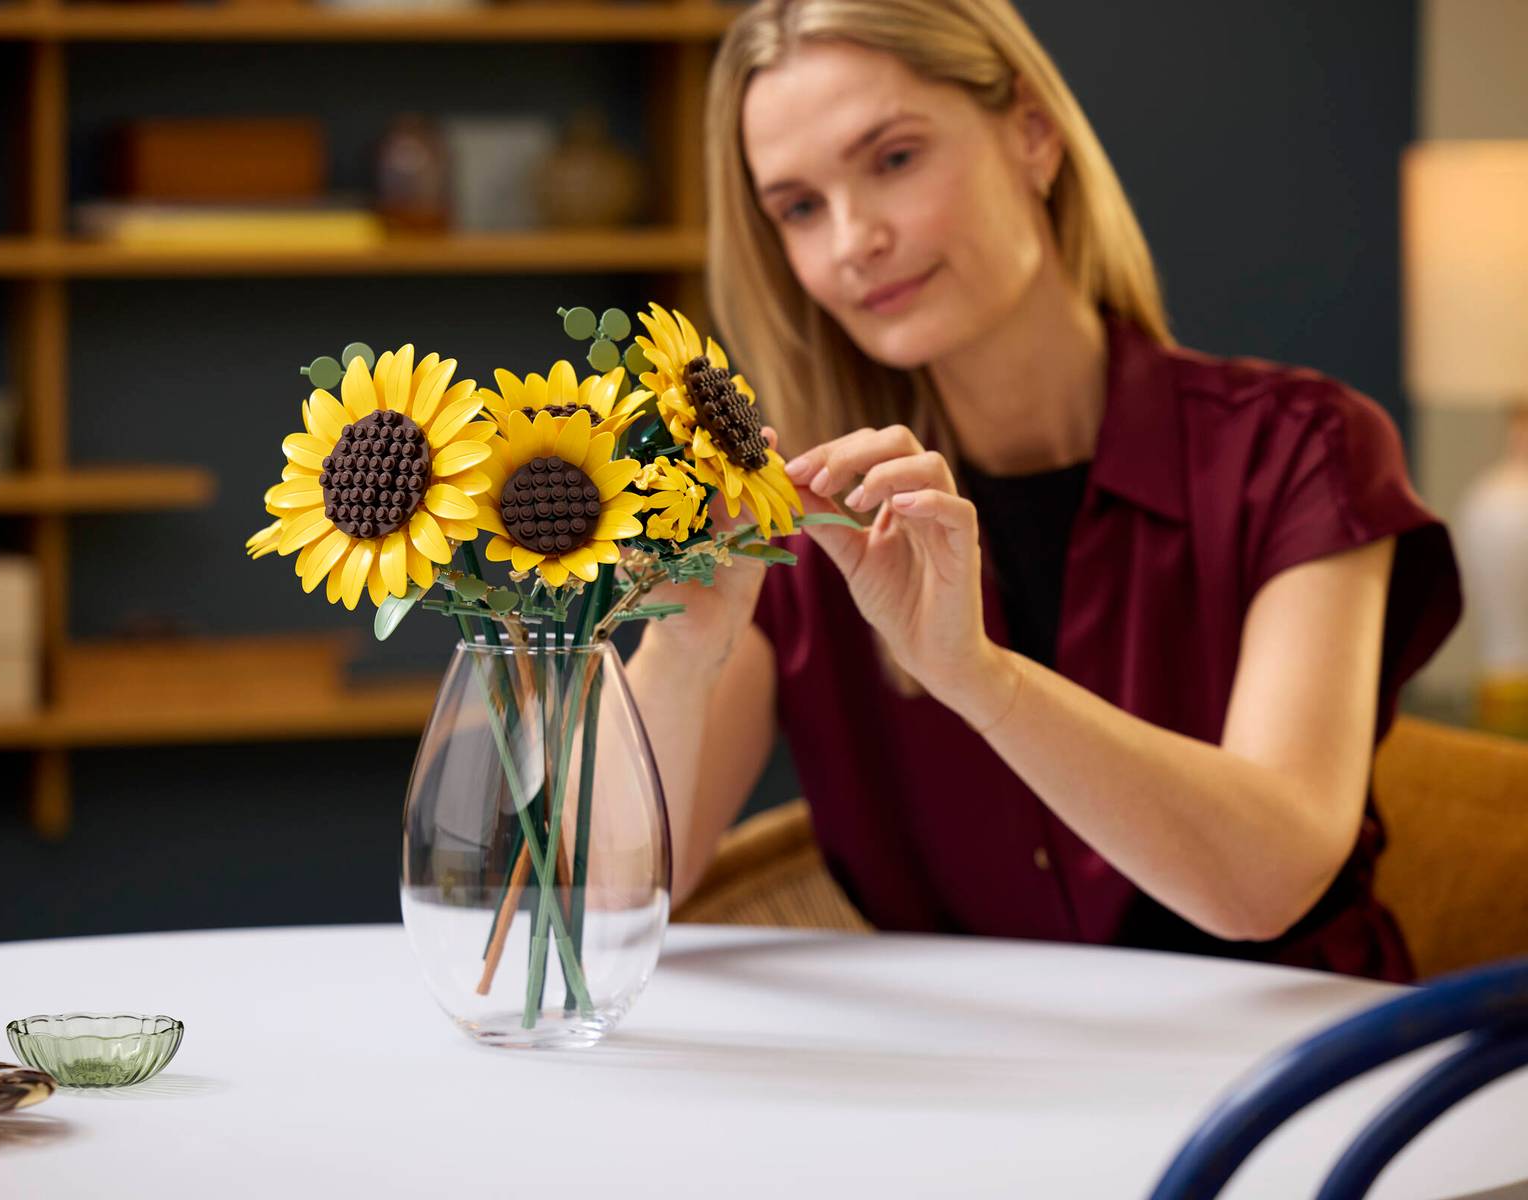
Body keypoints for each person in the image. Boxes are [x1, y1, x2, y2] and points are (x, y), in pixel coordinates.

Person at [625, 0, 1461, 981]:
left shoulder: (1299, 455)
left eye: (893, 159)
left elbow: (1267, 880)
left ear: (1033, 133)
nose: (854, 238)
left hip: (1295, 1097)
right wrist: (680, 653)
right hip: (982, 1110)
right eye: (800, 208)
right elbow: (588, 907)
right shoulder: (803, 532)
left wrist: (982, 678)